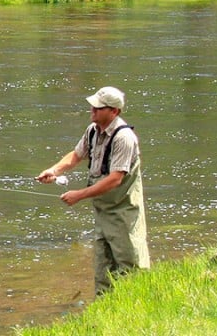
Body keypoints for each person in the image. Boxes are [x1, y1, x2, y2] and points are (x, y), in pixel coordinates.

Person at [36, 86, 150, 295]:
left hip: (124, 212)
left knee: (130, 263)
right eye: (93, 106)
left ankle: (137, 309)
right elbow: (76, 155)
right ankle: (105, 312)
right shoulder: (92, 130)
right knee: (103, 270)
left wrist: (79, 195)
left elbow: (115, 179)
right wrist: (54, 170)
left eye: (98, 107)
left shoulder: (124, 137)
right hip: (102, 211)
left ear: (114, 111)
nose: (93, 110)